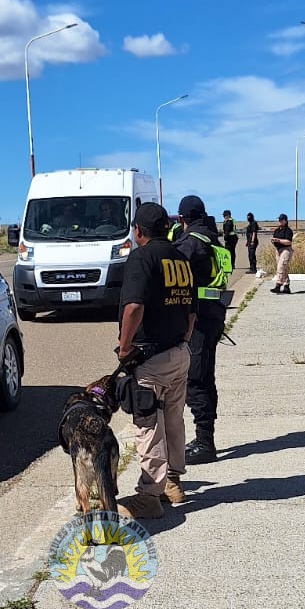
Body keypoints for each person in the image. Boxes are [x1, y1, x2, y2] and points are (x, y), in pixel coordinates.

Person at [116, 201, 196, 519]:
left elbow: (133, 307)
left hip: (150, 358)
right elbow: (191, 311)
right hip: (179, 353)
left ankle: (150, 495)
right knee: (174, 419)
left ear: (138, 231)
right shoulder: (181, 259)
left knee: (149, 425)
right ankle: (172, 482)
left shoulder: (141, 257)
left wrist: (124, 349)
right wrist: (183, 342)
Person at [175, 195, 226, 464]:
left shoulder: (190, 242)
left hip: (199, 321)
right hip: (213, 315)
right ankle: (205, 437)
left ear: (182, 218)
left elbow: (170, 274)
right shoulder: (210, 236)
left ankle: (205, 443)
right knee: (205, 376)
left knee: (196, 379)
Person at [270, 213, 294, 294]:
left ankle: (278, 285)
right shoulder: (277, 230)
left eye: (281, 219)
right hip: (278, 250)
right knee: (284, 268)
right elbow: (274, 239)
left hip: (286, 250)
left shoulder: (288, 231)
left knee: (281, 266)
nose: (279, 221)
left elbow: (288, 242)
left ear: (285, 221)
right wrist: (274, 241)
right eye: (279, 219)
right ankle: (286, 286)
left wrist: (279, 240)